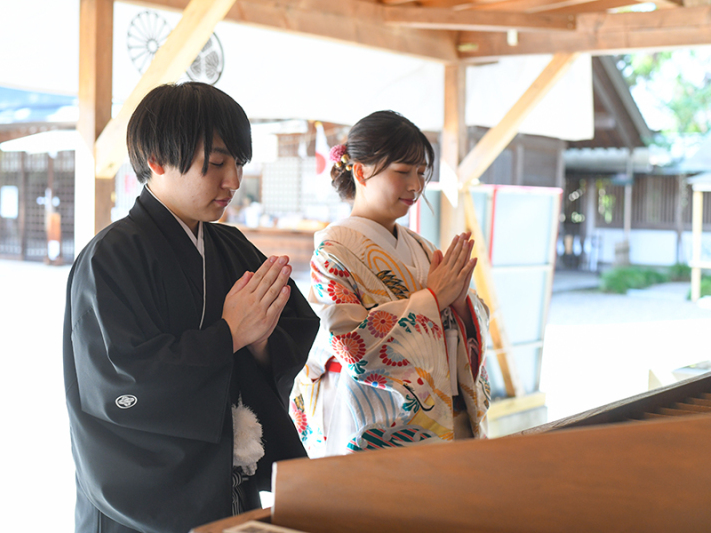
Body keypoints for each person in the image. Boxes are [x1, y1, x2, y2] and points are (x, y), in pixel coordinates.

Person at [63, 82, 319, 533]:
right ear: (157, 159)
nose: (233, 181)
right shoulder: (111, 257)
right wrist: (228, 335)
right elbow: (121, 385)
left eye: (238, 163)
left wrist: (260, 341)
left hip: (227, 484)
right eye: (217, 163)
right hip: (144, 505)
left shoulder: (231, 246)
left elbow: (287, 334)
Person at [290, 110, 491, 457]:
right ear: (360, 171)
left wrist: (459, 305)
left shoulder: (422, 248)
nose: (415, 185)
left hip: (440, 416)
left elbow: (457, 324)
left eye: (421, 173)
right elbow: (348, 341)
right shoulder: (333, 250)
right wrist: (432, 300)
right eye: (402, 171)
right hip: (366, 414)